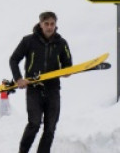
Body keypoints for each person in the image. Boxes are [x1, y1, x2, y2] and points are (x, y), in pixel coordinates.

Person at [9, 11, 72, 153]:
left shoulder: (61, 43)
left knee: (50, 128)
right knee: (34, 124)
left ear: (56, 25)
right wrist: (19, 78)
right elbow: (13, 59)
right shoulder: (28, 41)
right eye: (46, 24)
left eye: (52, 24)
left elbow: (67, 64)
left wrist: (67, 71)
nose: (49, 27)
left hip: (53, 89)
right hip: (34, 89)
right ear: (40, 24)